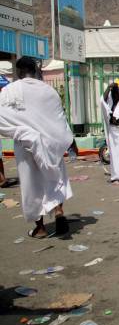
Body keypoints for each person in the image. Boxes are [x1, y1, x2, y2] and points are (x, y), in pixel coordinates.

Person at [0, 57, 76, 238]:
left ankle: (40, 228)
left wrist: (21, 131)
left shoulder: (10, 91)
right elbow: (60, 118)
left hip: (26, 145)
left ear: (18, 72)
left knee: (31, 184)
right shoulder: (49, 91)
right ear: (35, 70)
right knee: (53, 178)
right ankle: (58, 212)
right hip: (51, 143)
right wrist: (70, 140)